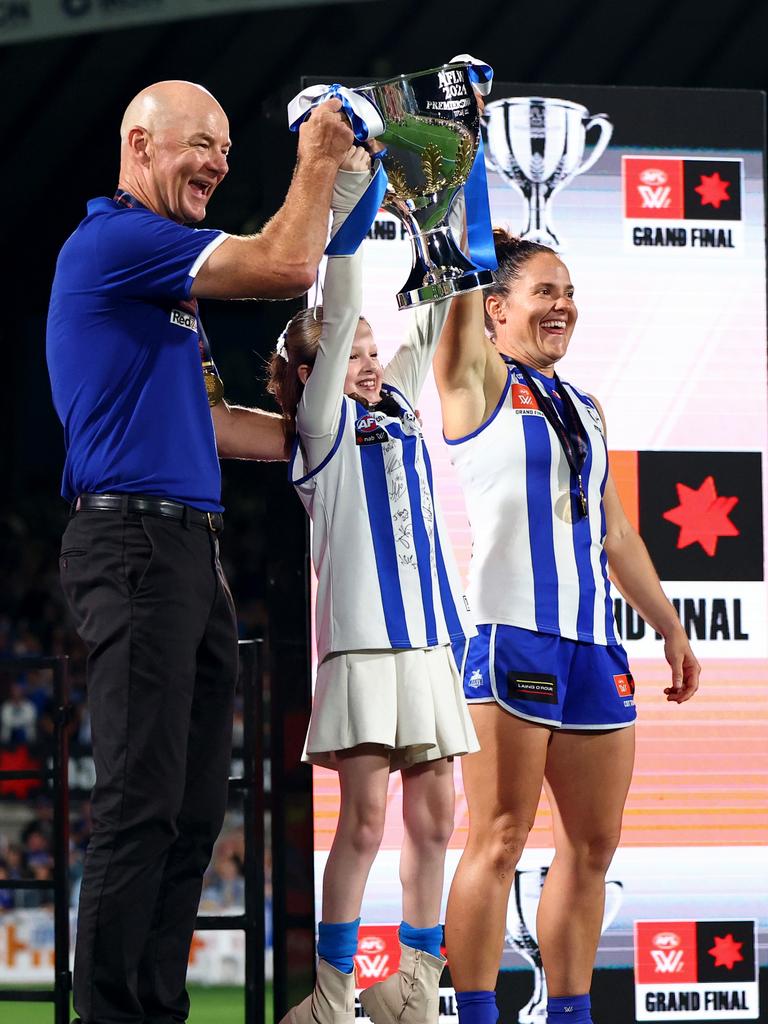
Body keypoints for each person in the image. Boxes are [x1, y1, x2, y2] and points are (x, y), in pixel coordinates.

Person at [46, 79, 353, 1024]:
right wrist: (320, 158)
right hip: (133, 541)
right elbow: (285, 261)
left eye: (226, 147)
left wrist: (326, 397)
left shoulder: (163, 296)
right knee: (141, 802)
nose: (220, 163)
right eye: (202, 145)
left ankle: (155, 1008)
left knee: (190, 812)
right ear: (140, 144)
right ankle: (107, 1014)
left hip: (187, 552)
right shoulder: (117, 241)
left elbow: (237, 430)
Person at [432, 231, 701, 1024]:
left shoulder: (585, 405)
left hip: (594, 649)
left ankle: (570, 1015)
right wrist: (457, 163)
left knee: (591, 849)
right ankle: (477, 1015)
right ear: (497, 309)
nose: (563, 305)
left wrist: (671, 628)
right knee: (501, 836)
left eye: (569, 291)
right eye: (545, 291)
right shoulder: (474, 378)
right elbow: (455, 289)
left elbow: (615, 532)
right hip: (512, 636)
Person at [267, 147, 478, 1024]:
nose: (365, 360)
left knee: (436, 822)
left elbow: (436, 306)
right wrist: (350, 206)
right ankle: (331, 994)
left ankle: (415, 986)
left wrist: (454, 183)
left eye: (365, 353)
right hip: (360, 646)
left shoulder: (393, 405)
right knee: (360, 825)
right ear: (313, 373)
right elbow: (346, 299)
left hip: (429, 643)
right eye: (347, 353)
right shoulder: (319, 432)